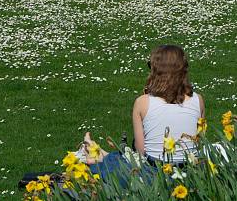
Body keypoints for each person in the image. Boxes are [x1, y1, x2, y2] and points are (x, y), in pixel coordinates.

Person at [79, 45, 204, 180]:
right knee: (120, 157)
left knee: (120, 162)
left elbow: (140, 151)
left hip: (155, 173)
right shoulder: (198, 100)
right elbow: (200, 142)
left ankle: (95, 156)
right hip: (191, 172)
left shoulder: (142, 102)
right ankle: (99, 153)